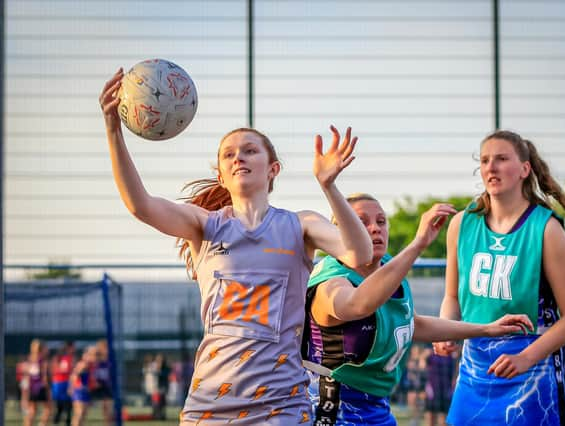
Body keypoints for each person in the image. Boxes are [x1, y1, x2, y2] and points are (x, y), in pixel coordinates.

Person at [99, 68, 373, 425]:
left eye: (249, 151)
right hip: (212, 400)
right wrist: (112, 129)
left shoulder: (299, 224)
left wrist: (329, 187)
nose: (238, 158)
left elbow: (360, 255)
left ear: (273, 168)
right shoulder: (204, 225)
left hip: (282, 402)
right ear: (222, 175)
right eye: (228, 155)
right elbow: (141, 205)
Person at [303, 193, 534, 425]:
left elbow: (413, 324)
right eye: (362, 222)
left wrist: (486, 329)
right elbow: (357, 305)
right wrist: (418, 244)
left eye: (381, 221)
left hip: (376, 410)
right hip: (332, 412)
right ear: (339, 232)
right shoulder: (331, 282)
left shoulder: (387, 270)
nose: (375, 228)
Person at [434, 130, 565, 425]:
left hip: (530, 368)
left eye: (502, 159)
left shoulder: (546, 230)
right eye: (485, 160)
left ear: (524, 169)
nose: (491, 167)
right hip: (475, 366)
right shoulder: (461, 225)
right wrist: (447, 330)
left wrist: (525, 358)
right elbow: (452, 297)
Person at [23, 339, 52, 426]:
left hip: (32, 388)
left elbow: (26, 377)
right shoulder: (43, 361)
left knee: (32, 410)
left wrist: (25, 392)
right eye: (45, 348)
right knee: (49, 409)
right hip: (41, 388)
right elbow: (45, 379)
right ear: (42, 349)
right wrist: (48, 392)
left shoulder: (30, 359)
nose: (47, 350)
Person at [69, 346, 96, 426]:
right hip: (79, 391)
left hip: (85, 391)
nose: (93, 357)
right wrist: (72, 388)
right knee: (79, 413)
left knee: (83, 414)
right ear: (85, 355)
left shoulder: (90, 365)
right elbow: (74, 376)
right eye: (91, 355)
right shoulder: (83, 364)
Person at [51, 341, 75, 426]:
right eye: (72, 348)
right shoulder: (58, 358)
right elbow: (54, 370)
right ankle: (56, 420)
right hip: (58, 384)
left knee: (68, 405)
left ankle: (68, 421)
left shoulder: (71, 358)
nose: (73, 349)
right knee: (59, 405)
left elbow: (72, 371)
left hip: (67, 383)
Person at [89, 339, 113, 423]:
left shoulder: (109, 359)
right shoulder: (94, 357)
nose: (106, 350)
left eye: (106, 348)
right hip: (94, 385)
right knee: (83, 409)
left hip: (105, 386)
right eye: (104, 348)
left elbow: (110, 373)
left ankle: (108, 423)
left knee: (107, 408)